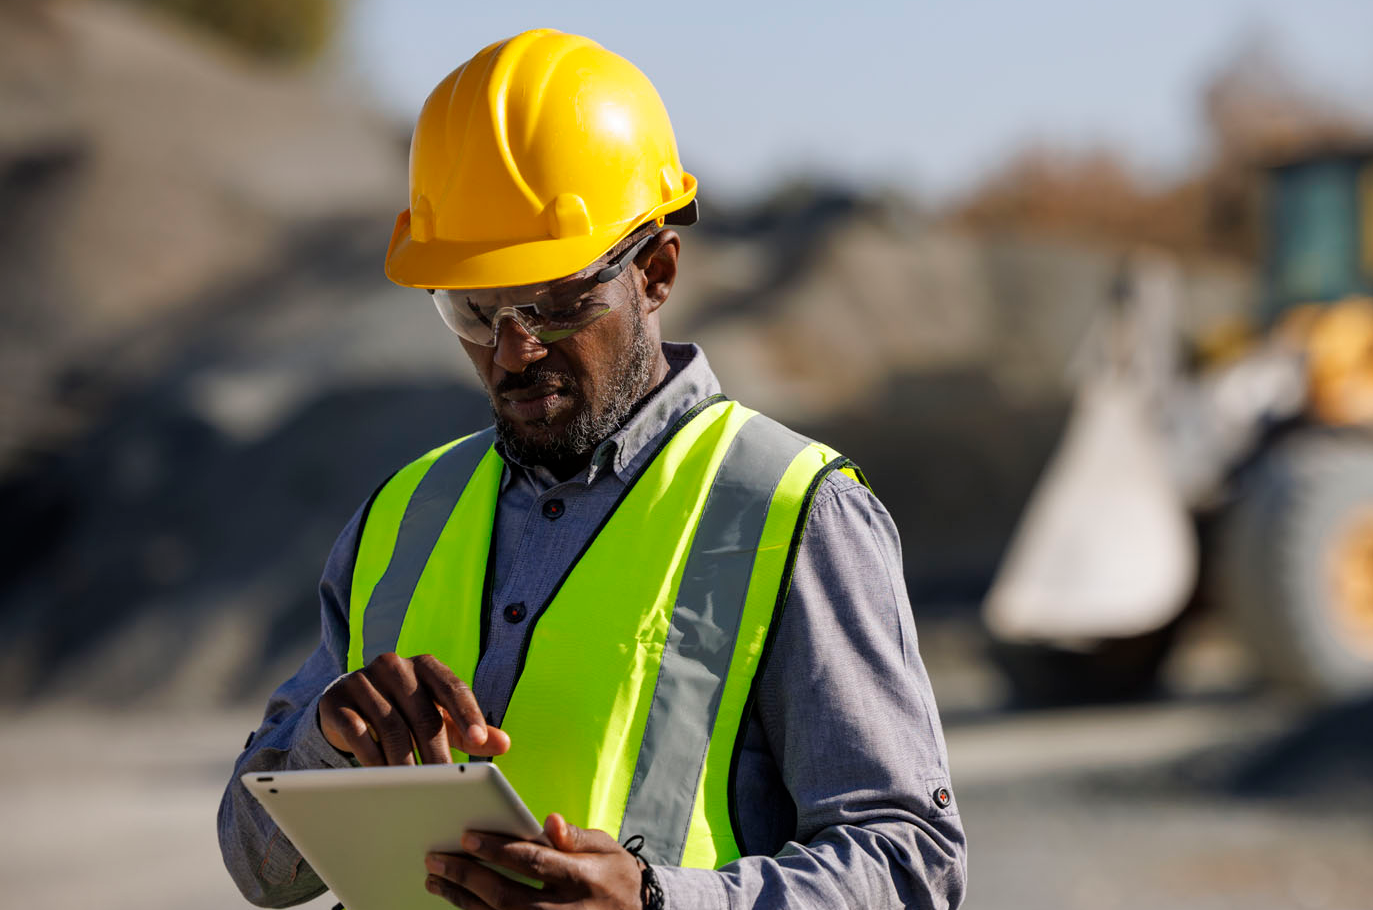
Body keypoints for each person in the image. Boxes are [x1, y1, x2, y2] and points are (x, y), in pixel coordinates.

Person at [217, 28, 966, 910]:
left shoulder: (792, 513)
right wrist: (327, 746)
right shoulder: (402, 517)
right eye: (471, 310)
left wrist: (658, 902)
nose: (513, 352)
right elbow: (258, 869)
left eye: (558, 304)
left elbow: (910, 864)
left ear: (655, 271)